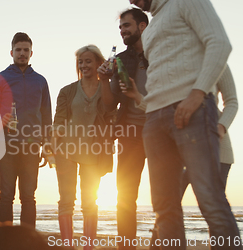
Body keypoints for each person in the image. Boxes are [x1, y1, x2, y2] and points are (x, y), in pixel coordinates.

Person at [128, 0, 242, 248]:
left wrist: (198, 93)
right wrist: (139, 99)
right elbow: (164, 79)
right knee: (164, 208)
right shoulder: (152, 28)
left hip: (193, 114)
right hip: (155, 121)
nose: (131, 1)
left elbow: (220, 43)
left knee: (209, 199)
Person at [0, 32, 52, 228]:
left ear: (32, 53)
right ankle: (5, 242)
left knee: (29, 196)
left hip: (32, 146)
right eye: (18, 50)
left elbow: (47, 115)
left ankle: (26, 241)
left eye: (26, 50)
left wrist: (47, 145)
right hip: (5, 144)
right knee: (6, 195)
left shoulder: (40, 81)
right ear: (11, 52)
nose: (22, 53)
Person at [52, 45, 115, 250]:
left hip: (93, 153)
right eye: (81, 62)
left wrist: (105, 81)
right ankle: (68, 246)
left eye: (88, 61)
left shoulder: (106, 88)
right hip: (66, 153)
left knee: (89, 201)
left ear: (98, 63)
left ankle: (89, 247)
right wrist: (52, 147)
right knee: (66, 200)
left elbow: (109, 110)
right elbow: (58, 121)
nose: (84, 65)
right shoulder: (67, 91)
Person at [96, 8, 149, 250]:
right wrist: (105, 80)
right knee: (126, 197)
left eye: (126, 25)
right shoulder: (121, 60)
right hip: (131, 135)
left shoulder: (160, 53)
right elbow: (110, 102)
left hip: (162, 129)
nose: (122, 31)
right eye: (120, 27)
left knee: (166, 195)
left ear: (142, 26)